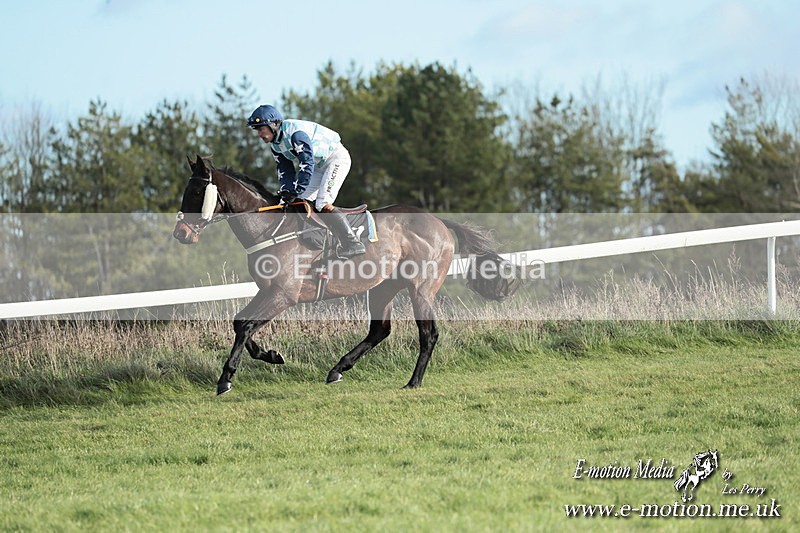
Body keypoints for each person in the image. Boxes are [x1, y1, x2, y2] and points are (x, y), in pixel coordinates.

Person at [247, 104, 366, 258]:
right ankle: (319, 240)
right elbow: (285, 171)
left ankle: (353, 243)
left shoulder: (296, 135)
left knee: (322, 202)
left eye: (261, 129)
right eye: (257, 130)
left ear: (273, 125)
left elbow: (306, 164)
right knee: (300, 202)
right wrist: (287, 192)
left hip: (336, 159)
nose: (259, 134)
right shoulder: (275, 145)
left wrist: (298, 189)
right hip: (319, 165)